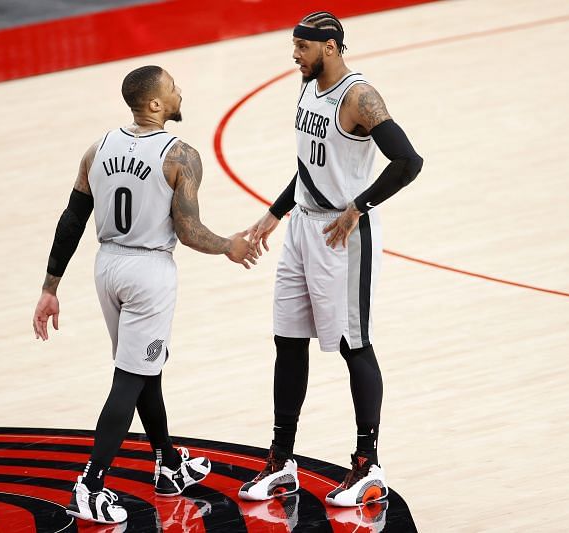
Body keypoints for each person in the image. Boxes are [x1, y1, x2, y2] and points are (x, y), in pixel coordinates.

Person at [32, 65, 255, 524]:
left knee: (143, 366)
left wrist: (49, 286)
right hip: (148, 272)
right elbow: (189, 231)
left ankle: (169, 464)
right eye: (172, 87)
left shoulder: (98, 149)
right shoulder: (182, 156)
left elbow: (71, 219)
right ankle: (90, 484)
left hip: (106, 265)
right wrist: (228, 246)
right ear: (155, 104)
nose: (179, 91)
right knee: (129, 378)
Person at [238, 11, 423, 507]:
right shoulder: (306, 86)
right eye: (293, 45)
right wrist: (275, 214)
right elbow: (308, 164)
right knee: (287, 340)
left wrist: (359, 206)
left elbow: (409, 162)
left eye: (302, 46)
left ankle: (368, 465)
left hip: (345, 237)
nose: (295, 54)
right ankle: (281, 462)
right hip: (302, 226)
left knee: (353, 344)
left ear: (332, 46)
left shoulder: (359, 97)